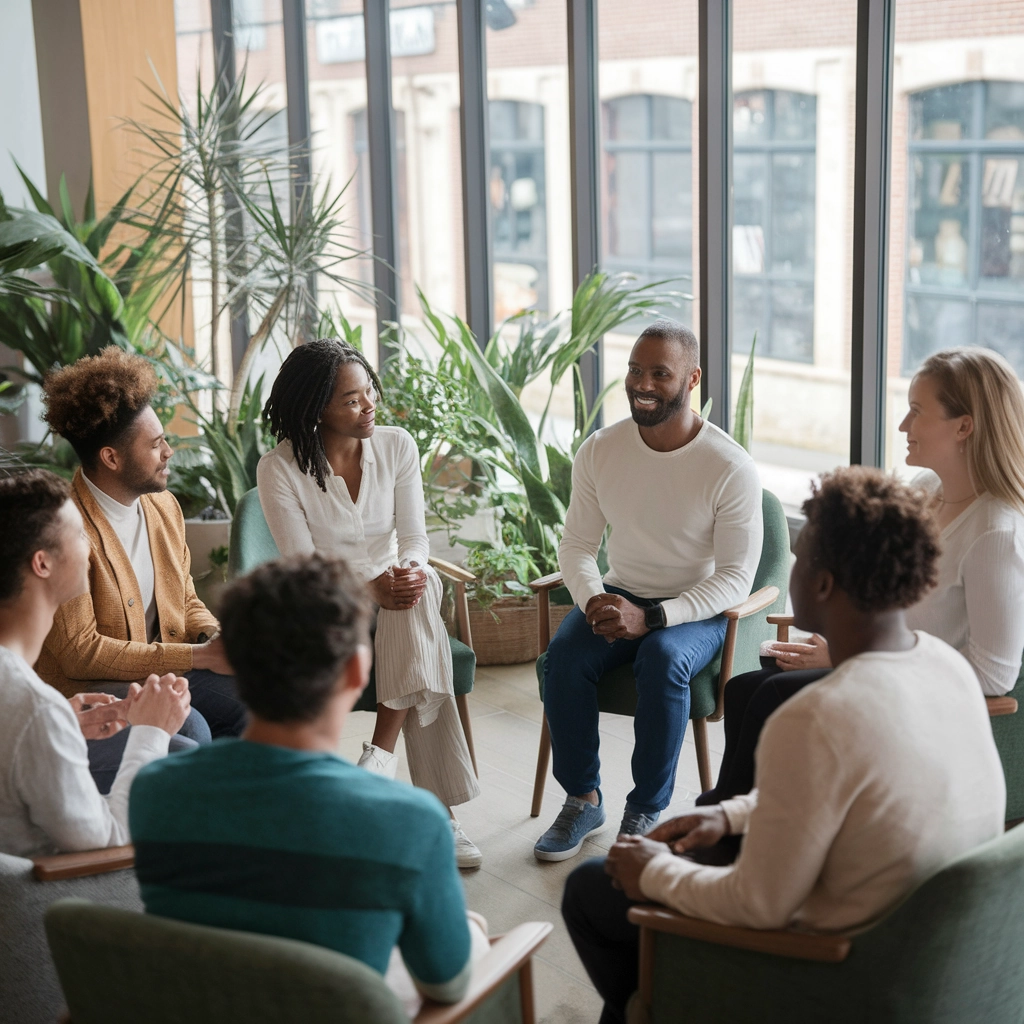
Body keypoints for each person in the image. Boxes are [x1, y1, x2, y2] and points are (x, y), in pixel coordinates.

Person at [562, 466, 1005, 1024]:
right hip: (925, 961)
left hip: (837, 973)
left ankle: (666, 1003)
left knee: (589, 888)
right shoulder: (946, 667)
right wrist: (731, 816)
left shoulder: (818, 714)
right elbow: (857, 794)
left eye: (800, 559)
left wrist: (651, 871)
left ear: (821, 585)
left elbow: (757, 903)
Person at [129, 554, 488, 1009]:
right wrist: (471, 929)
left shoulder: (156, 789)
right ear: (358, 673)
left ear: (234, 662)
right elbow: (447, 985)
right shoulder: (412, 822)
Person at [701, 345, 1024, 804]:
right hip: (878, 663)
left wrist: (851, 660)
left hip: (914, 698)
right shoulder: (927, 491)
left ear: (964, 426)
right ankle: (734, 821)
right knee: (742, 688)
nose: (902, 427)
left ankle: (732, 831)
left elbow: (994, 677)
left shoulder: (997, 533)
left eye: (916, 412)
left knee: (769, 698)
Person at [534, 319, 763, 861]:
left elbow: (735, 578)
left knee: (662, 659)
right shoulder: (601, 450)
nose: (643, 383)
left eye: (661, 373)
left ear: (692, 379)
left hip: (695, 609)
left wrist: (654, 618)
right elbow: (577, 545)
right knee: (563, 657)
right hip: (620, 590)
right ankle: (583, 798)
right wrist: (594, 599)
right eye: (636, 370)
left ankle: (646, 809)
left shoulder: (729, 466)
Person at [257, 339, 482, 868]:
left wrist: (406, 572)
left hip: (399, 592)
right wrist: (370, 586)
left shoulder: (397, 445)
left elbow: (417, 539)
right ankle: (437, 811)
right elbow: (304, 565)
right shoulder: (280, 468)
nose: (369, 407)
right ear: (316, 409)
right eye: (351, 400)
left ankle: (380, 760)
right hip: (325, 606)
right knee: (417, 624)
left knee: (416, 596)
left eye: (368, 393)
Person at [34, 347, 247, 754]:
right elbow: (82, 654)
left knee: (255, 699)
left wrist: (215, 635)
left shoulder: (163, 506)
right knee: (193, 728)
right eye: (155, 444)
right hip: (86, 686)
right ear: (111, 457)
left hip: (162, 670)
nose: (169, 452)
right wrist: (198, 657)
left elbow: (184, 597)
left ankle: (232, 812)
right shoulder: (63, 527)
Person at [0, 470, 192, 857]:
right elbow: (109, 842)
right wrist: (151, 731)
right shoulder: (35, 708)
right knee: (188, 764)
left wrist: (65, 723)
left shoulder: (27, 701)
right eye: (78, 535)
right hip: (61, 909)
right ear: (42, 564)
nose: (90, 547)